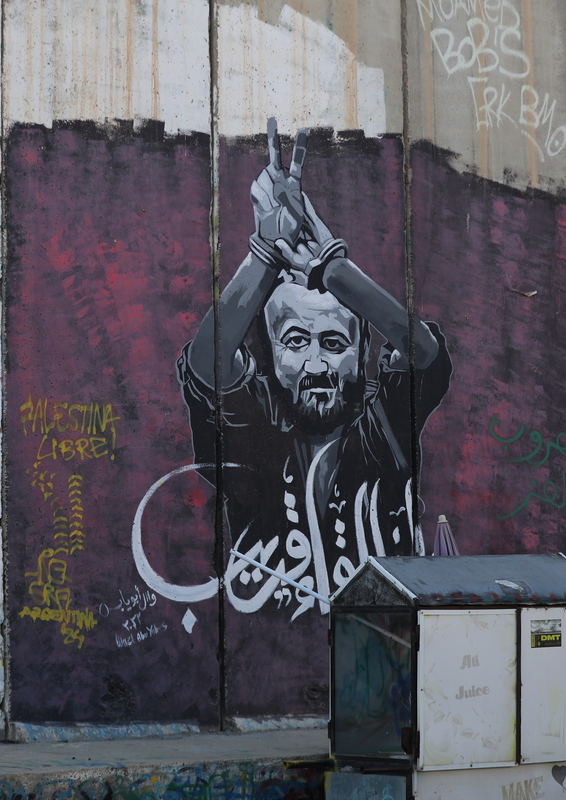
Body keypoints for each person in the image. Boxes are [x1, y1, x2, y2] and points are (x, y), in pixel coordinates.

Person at [178, 120, 451, 619]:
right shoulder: (255, 434)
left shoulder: (383, 428)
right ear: (268, 352)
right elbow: (207, 364)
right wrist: (263, 254)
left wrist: (334, 270)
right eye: (296, 341)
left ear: (363, 350)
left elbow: (424, 352)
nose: (317, 364)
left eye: (333, 342)